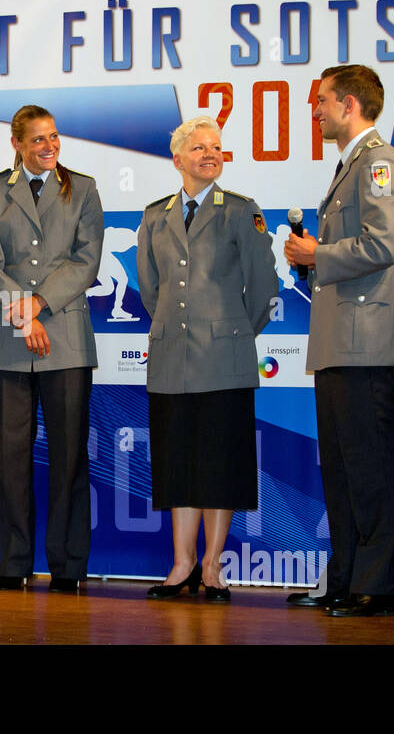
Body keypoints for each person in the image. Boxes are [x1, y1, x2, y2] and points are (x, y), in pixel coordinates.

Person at [284, 64, 394, 617]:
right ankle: (345, 579)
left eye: (322, 101)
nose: (315, 110)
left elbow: (383, 244)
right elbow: (354, 252)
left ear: (351, 103)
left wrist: (319, 256)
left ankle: (378, 587)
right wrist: (311, 261)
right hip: (339, 337)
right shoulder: (350, 165)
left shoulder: (379, 161)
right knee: (340, 468)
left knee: (370, 466)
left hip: (364, 339)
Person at [136, 117, 276, 602]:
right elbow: (150, 287)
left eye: (216, 148)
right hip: (172, 356)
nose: (210, 155)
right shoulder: (156, 215)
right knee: (178, 465)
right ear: (178, 159)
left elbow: (263, 289)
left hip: (225, 358)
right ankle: (182, 564)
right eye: (199, 148)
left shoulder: (241, 211)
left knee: (219, 466)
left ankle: (213, 567)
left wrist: (232, 332)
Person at [0, 105, 104, 592]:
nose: (49, 146)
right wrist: (22, 313)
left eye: (54, 137)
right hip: (8, 342)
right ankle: (14, 563)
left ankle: (68, 566)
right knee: (12, 457)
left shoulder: (83, 188)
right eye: (38, 140)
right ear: (18, 145)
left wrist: (40, 304)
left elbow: (86, 261)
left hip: (65, 339)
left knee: (69, 457)